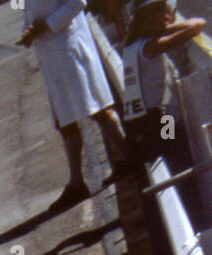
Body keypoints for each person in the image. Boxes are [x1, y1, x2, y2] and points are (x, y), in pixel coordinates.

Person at [19, 0, 129, 209]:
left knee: (95, 108)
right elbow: (30, 15)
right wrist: (27, 31)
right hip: (50, 55)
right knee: (63, 120)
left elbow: (78, 3)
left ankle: (126, 158)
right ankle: (77, 183)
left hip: (69, 48)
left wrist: (47, 25)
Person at [121, 1, 206, 163]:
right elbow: (198, 25)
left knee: (176, 144)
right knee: (180, 153)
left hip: (139, 122)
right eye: (163, 13)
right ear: (150, 17)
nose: (168, 17)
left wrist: (158, 29)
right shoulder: (151, 47)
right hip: (159, 120)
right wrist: (166, 29)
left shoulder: (130, 44)